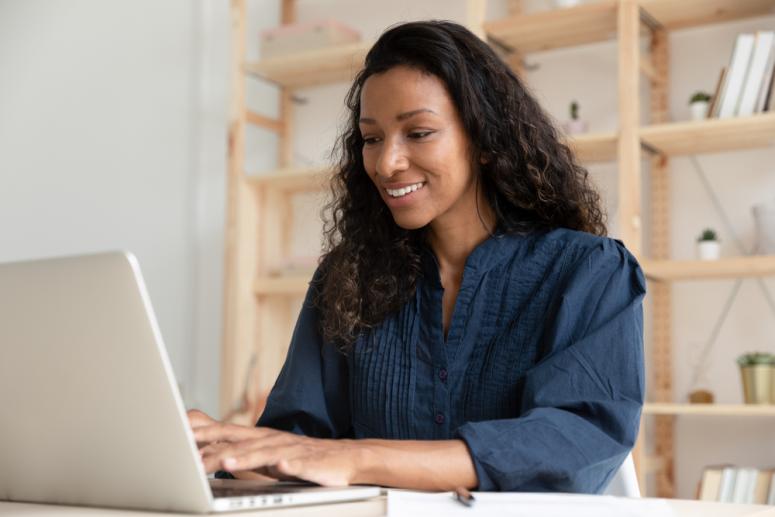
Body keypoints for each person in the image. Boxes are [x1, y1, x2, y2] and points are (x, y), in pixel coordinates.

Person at [189, 19, 645, 493]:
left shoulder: (590, 272)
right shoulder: (348, 278)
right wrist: (222, 446)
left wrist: (357, 458)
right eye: (371, 139)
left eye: (419, 132)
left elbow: (574, 440)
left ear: (485, 141)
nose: (387, 163)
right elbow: (300, 442)